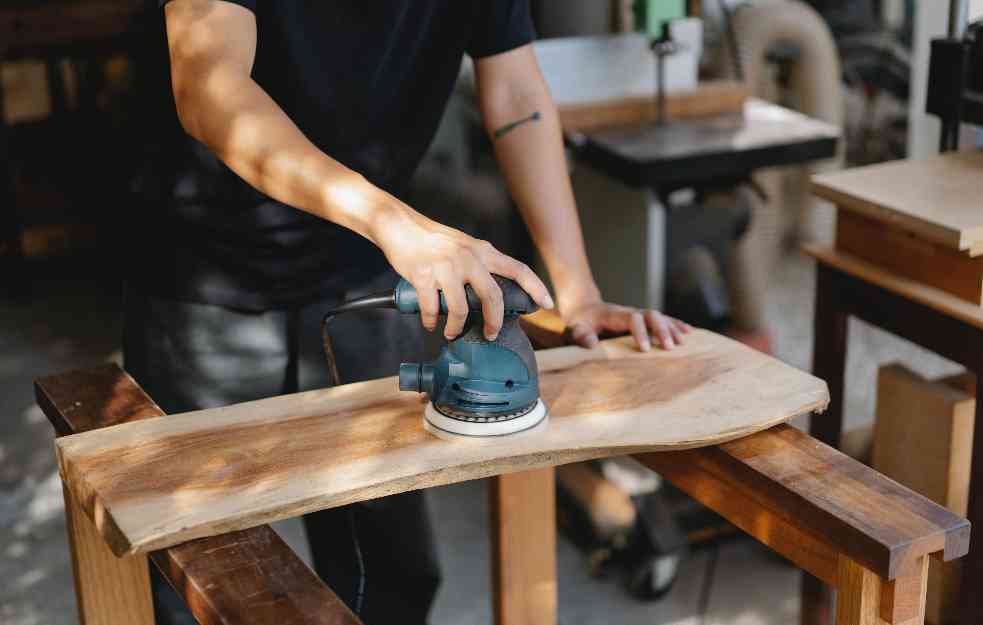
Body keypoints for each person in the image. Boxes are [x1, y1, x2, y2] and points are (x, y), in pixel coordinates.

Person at [132, 1, 690, 624]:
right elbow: (209, 86)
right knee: (190, 569)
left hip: (361, 267)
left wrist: (577, 289)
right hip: (204, 276)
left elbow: (513, 92)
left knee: (392, 574)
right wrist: (396, 224)